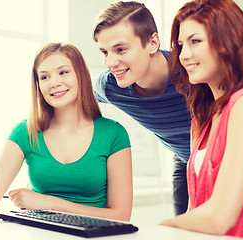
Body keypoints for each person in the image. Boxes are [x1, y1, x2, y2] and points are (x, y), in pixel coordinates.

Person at [0, 43, 133, 223]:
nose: (53, 83)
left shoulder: (113, 134)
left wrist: (50, 203)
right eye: (44, 77)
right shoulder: (25, 132)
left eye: (63, 72)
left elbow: (120, 215)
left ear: (81, 76)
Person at [159, 0, 243, 238]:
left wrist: (160, 228)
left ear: (228, 40)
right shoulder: (200, 122)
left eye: (196, 41)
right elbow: (196, 210)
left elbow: (220, 218)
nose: (184, 55)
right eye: (181, 45)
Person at [92, 1, 191, 216]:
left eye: (121, 49)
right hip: (184, 162)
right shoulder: (110, 86)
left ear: (153, 42)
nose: (110, 62)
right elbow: (76, 100)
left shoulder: (191, 70)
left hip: (228, 159)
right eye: (105, 52)